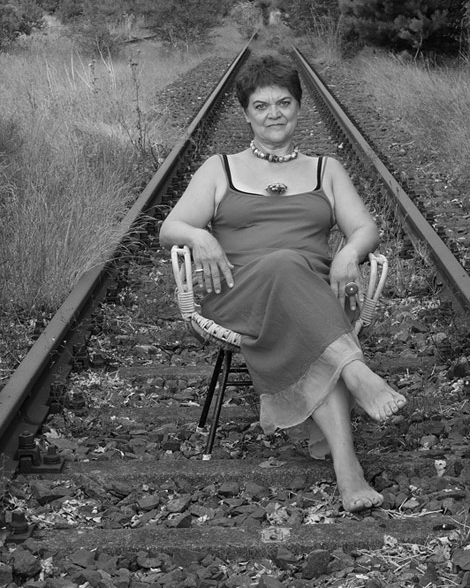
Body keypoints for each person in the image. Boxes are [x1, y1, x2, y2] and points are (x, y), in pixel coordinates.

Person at [159, 52, 407, 513]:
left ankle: (347, 467)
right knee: (285, 265)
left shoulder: (325, 169)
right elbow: (169, 228)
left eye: (284, 103)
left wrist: (348, 253)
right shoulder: (220, 168)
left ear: (298, 107)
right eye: (261, 105)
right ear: (246, 113)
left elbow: (365, 229)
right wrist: (200, 237)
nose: (273, 114)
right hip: (238, 293)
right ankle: (356, 373)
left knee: (301, 295)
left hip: (315, 293)